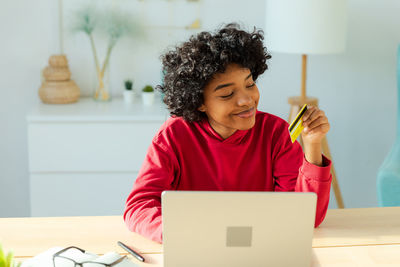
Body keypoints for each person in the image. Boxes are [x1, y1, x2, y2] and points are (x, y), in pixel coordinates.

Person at [123, 23, 332, 243]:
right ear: (199, 103)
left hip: (261, 247)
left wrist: (313, 145)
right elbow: (139, 206)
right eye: (227, 94)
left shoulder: (275, 133)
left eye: (250, 84)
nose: (246, 100)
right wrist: (178, 233)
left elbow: (305, 218)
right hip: (195, 247)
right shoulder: (173, 135)